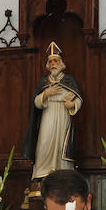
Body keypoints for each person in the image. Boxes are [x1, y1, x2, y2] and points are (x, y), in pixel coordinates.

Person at [21, 42, 83, 179]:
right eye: (50, 61)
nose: (53, 64)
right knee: (44, 142)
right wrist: (46, 94)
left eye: (56, 60)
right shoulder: (44, 82)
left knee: (62, 145)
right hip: (48, 114)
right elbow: (36, 103)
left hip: (63, 115)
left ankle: (63, 172)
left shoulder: (69, 80)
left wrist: (72, 104)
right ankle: (42, 172)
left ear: (61, 63)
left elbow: (79, 99)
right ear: (48, 65)